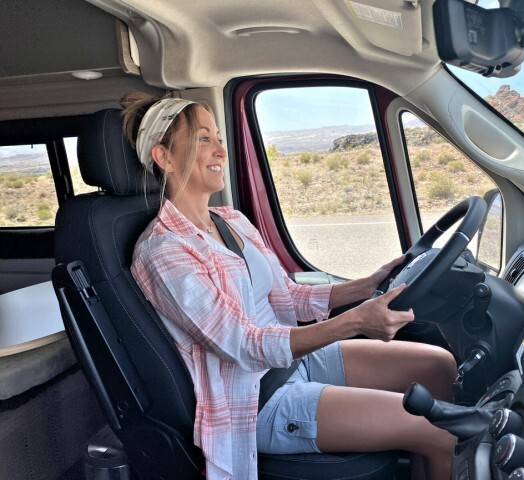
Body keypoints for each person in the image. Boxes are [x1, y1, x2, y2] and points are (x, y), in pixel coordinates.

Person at [126, 92, 457, 480]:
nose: (220, 149)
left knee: (440, 366)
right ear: (163, 157)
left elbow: (287, 296)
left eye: (218, 136)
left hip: (294, 362)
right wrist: (354, 322)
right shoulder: (162, 251)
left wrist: (369, 285)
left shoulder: (230, 220)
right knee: (435, 429)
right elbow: (245, 346)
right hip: (256, 399)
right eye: (203, 139)